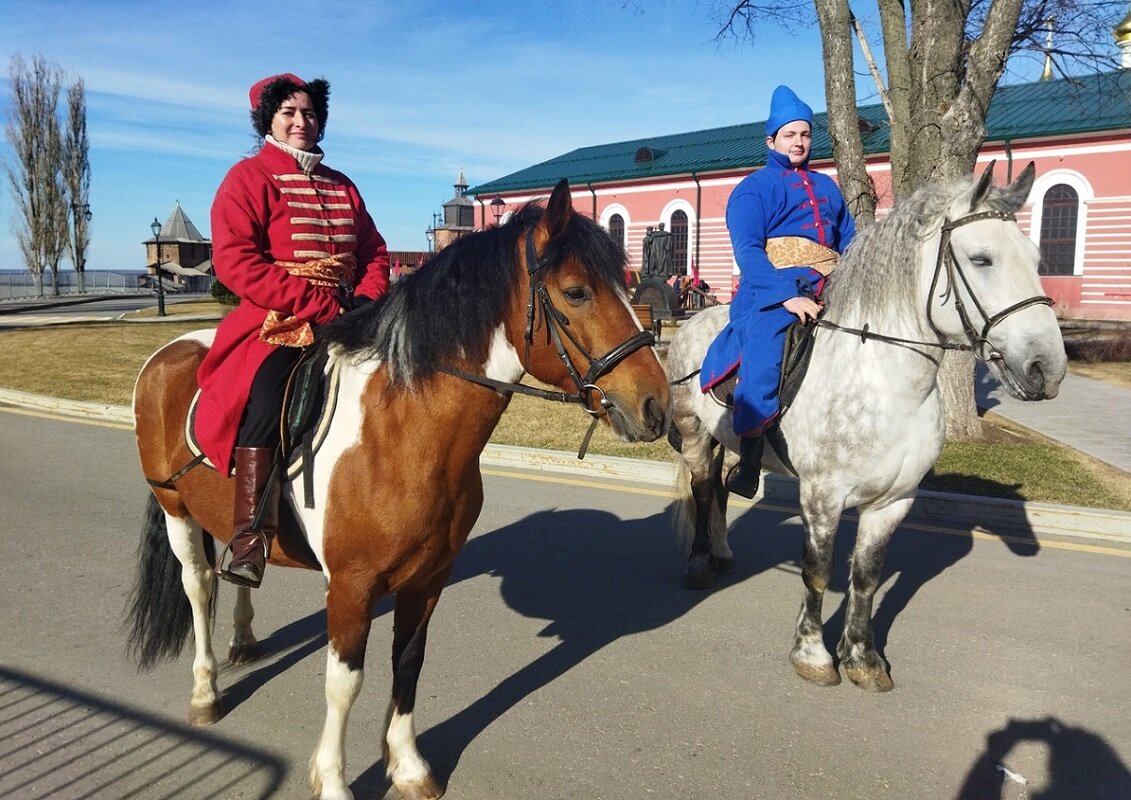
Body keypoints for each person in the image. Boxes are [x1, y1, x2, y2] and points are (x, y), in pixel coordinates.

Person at [194, 73, 391, 588]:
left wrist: (368, 300)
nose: (301, 122)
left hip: (350, 313)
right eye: (289, 113)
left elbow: (373, 251)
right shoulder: (247, 178)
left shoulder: (341, 183)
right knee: (266, 395)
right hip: (275, 320)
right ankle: (250, 536)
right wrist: (313, 304)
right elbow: (236, 263)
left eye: (308, 113)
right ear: (269, 120)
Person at [700, 85, 855, 498]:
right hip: (771, 291)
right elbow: (748, 252)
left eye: (804, 134)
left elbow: (850, 239)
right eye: (790, 135)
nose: (799, 142)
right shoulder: (753, 189)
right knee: (767, 347)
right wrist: (786, 296)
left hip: (832, 282)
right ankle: (750, 455)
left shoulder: (827, 187)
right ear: (771, 140)